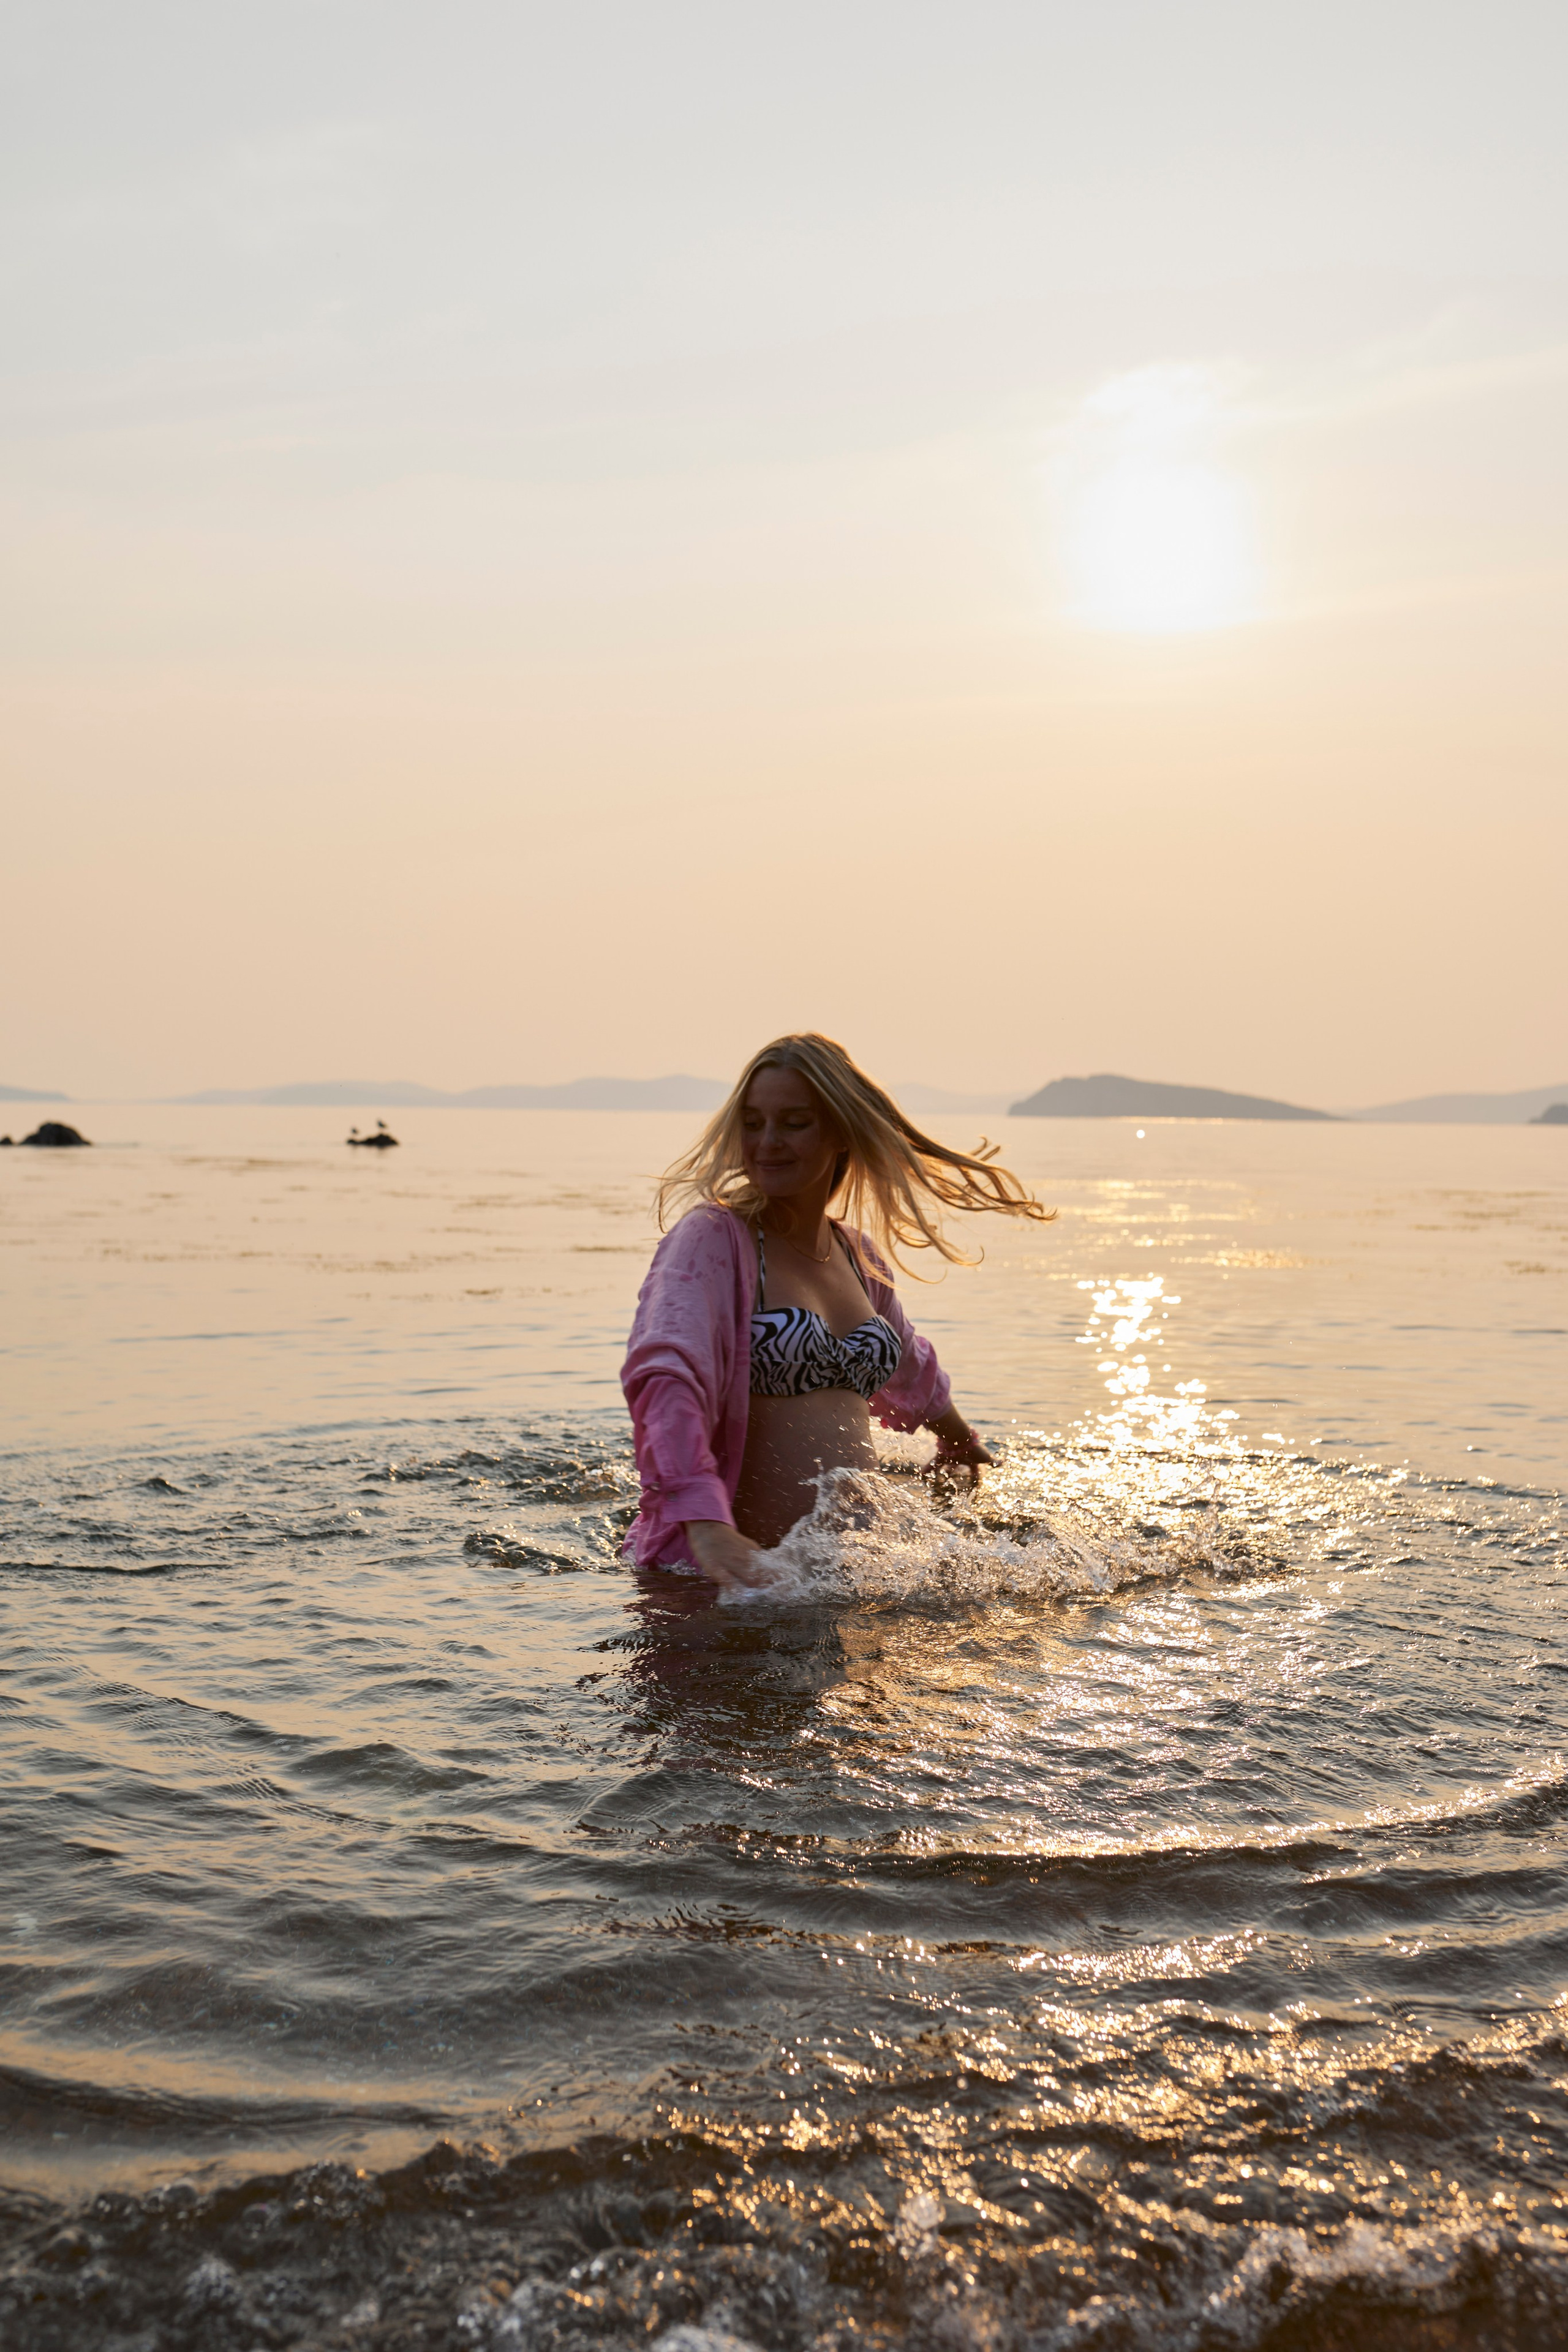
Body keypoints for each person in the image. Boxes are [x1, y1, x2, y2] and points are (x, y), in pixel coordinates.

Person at [621, 1033, 1054, 1591]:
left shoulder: (855, 1253)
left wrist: (958, 1439)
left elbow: (908, 1360)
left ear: (841, 1132)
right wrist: (704, 1524)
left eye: (793, 1122)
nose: (767, 1143)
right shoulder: (712, 1238)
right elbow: (666, 1375)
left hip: (841, 1587)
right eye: (752, 1123)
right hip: (720, 1581)